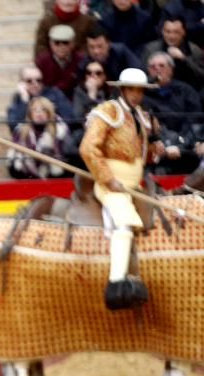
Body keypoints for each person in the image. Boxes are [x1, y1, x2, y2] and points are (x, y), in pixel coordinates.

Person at [78, 67, 162, 310]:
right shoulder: (108, 111)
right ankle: (115, 285)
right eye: (132, 89)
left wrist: (156, 151)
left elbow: (138, 154)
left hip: (135, 184)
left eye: (140, 90)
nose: (136, 94)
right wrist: (107, 178)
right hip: (112, 184)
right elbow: (88, 148)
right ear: (122, 89)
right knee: (123, 223)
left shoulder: (141, 116)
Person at [8, 96, 72, 179]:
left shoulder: (60, 131)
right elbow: (13, 164)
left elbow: (67, 158)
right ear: (30, 114)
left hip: (54, 179)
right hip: (27, 179)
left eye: (43, 110)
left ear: (49, 113)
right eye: (35, 110)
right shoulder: (20, 132)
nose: (39, 113)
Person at [36, 24, 83, 97]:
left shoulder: (81, 60)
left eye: (65, 42)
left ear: (73, 43)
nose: (61, 46)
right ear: (50, 43)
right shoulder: (42, 62)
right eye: (56, 42)